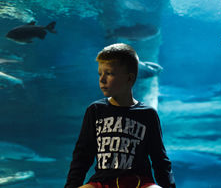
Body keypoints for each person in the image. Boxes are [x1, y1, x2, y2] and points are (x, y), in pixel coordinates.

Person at [65, 43, 176, 188]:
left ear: (130, 78)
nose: (102, 79)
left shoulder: (148, 114)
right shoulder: (95, 110)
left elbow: (160, 159)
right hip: (102, 182)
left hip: (140, 182)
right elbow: (82, 156)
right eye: (100, 74)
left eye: (109, 73)